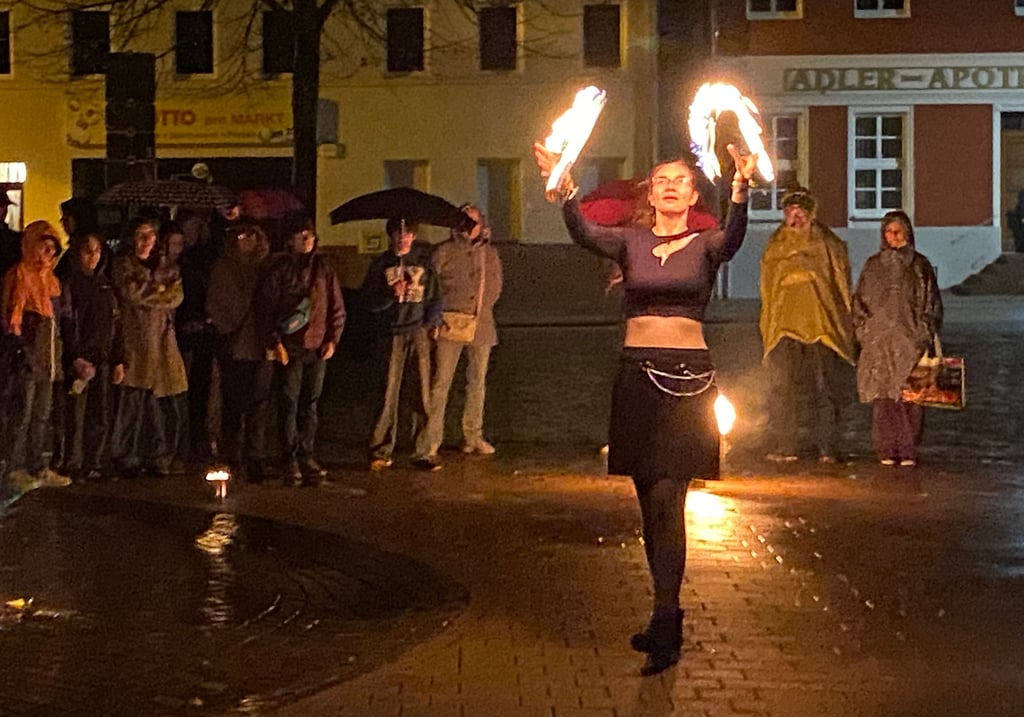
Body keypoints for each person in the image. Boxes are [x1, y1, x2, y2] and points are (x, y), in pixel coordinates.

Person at [533, 140, 757, 676]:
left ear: (693, 192)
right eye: (661, 180)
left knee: (667, 498)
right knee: (645, 501)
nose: (671, 185)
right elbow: (583, 233)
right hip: (637, 375)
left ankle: (667, 617)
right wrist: (565, 187)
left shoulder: (706, 242)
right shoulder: (629, 242)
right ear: (652, 195)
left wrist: (741, 189)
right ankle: (663, 611)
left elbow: (735, 238)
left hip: (686, 381)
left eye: (681, 179)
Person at [758, 186, 855, 464]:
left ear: (810, 215)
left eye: (801, 214)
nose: (796, 219)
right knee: (783, 387)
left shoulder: (828, 244)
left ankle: (827, 446)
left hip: (822, 325)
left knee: (825, 388)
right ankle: (785, 443)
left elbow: (838, 282)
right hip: (784, 326)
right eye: (791, 213)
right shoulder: (775, 245)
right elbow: (768, 283)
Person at [256, 213, 345, 487]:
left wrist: (333, 337)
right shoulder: (280, 269)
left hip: (317, 345)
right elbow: (266, 309)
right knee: (290, 401)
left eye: (310, 235)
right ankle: (290, 456)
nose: (306, 240)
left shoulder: (324, 268)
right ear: (291, 239)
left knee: (311, 403)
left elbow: (335, 306)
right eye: (301, 235)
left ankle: (307, 453)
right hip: (291, 345)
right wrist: (275, 342)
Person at [852, 210, 943, 467]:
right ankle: (885, 448)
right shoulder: (873, 266)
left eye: (898, 231)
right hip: (878, 343)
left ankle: (908, 448)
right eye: (889, 232)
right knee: (882, 399)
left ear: (907, 233)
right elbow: (859, 301)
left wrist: (922, 332)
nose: (893, 237)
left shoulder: (919, 266)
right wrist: (865, 331)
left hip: (909, 341)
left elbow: (931, 302)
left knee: (910, 396)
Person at [417, 204, 503, 461]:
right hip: (448, 324)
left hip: (481, 324)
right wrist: (437, 316)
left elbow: (496, 286)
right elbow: (431, 287)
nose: (469, 226)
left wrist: (479, 308)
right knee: (441, 384)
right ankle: (430, 441)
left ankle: (473, 436)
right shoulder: (443, 251)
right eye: (464, 221)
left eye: (474, 221)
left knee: (477, 383)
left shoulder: (490, 254)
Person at [363, 218, 443, 472]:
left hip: (417, 331)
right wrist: (390, 295)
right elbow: (369, 302)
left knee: (421, 392)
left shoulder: (423, 264)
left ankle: (422, 450)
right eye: (398, 233)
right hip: (391, 333)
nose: (403, 238)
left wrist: (432, 322)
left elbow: (434, 296)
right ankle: (381, 449)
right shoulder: (380, 265)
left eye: (407, 233)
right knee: (388, 392)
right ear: (391, 236)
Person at [110, 217, 188, 478]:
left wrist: (157, 291)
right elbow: (132, 293)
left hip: (163, 343)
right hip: (135, 341)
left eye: (150, 235)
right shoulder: (123, 265)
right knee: (132, 403)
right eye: (141, 235)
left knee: (161, 404)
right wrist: (159, 292)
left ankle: (159, 455)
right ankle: (127, 456)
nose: (146, 241)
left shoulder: (168, 266)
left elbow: (176, 296)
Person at [1, 221, 69, 487]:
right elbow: (12, 318)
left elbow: (57, 322)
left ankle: (38, 466)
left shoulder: (51, 281)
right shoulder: (19, 275)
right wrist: (22, 352)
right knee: (22, 413)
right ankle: (14, 467)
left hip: (48, 357)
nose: (48, 254)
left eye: (52, 249)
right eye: (43, 247)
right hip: (26, 357)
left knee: (41, 413)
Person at [206, 219, 273, 483]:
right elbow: (215, 302)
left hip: (262, 344)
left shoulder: (265, 267)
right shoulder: (222, 267)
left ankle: (255, 456)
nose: (243, 240)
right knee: (233, 404)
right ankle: (232, 454)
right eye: (239, 235)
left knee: (259, 403)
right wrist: (229, 327)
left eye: (249, 235)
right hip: (234, 346)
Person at [59, 232, 125, 481]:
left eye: (97, 251)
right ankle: (73, 462)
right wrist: (74, 356)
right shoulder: (70, 284)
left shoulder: (105, 285)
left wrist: (119, 357)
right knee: (76, 415)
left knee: (101, 413)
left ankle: (94, 461)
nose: (93, 256)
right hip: (81, 359)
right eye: (88, 251)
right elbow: (66, 323)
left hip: (104, 357)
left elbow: (117, 324)